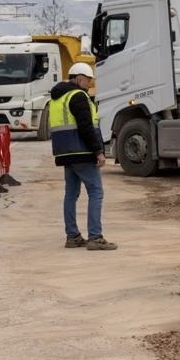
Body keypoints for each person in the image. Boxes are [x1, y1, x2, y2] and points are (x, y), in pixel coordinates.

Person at [47, 62, 116, 250]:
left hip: (65, 152)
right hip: (82, 151)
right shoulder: (78, 96)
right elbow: (86, 127)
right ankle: (95, 237)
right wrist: (98, 151)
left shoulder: (57, 98)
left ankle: (73, 236)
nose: (89, 85)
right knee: (96, 192)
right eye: (87, 80)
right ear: (79, 78)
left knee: (71, 193)